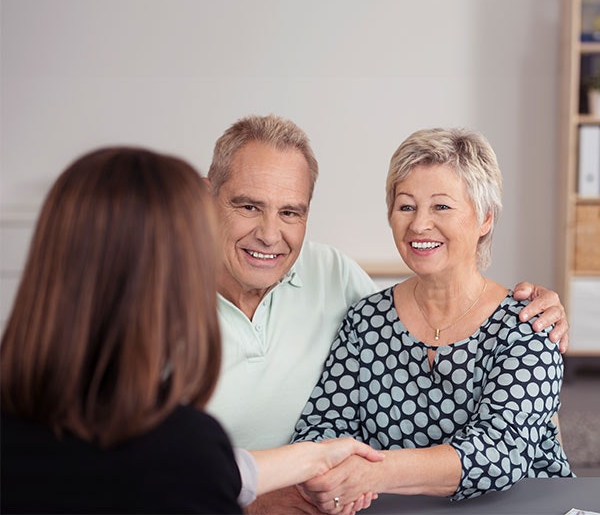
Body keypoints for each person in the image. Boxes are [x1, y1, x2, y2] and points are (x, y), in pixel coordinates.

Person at [203, 115, 571, 514]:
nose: (420, 224)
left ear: (485, 218)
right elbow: (322, 427)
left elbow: (501, 451)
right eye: (406, 206)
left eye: (442, 206)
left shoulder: (529, 322)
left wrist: (374, 473)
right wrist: (328, 477)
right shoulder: (366, 318)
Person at [0, 146, 383, 515]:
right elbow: (192, 468)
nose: (268, 234)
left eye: (289, 212)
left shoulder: (30, 422)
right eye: (247, 207)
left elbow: (203, 468)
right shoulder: (184, 443)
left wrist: (312, 457)